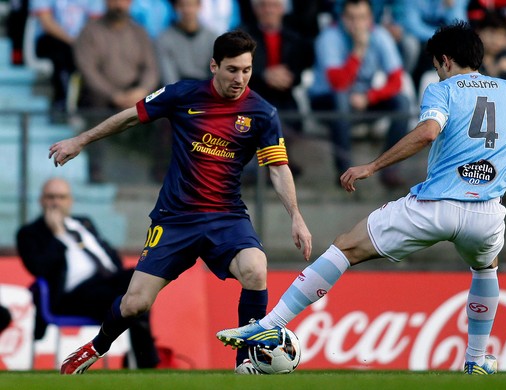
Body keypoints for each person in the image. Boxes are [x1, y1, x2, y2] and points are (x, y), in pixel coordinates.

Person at [215, 21, 506, 375]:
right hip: (487, 215)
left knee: (346, 247)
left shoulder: (443, 89)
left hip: (434, 206)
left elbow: (427, 133)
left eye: (438, 64)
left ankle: (270, 324)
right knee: (486, 266)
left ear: (444, 60)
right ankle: (476, 360)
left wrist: (371, 166)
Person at [50, 30, 312, 375]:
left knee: (256, 268)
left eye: (246, 70)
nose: (240, 79)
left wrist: (296, 215)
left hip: (226, 217)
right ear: (214, 65)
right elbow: (131, 116)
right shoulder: (183, 94)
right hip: (174, 219)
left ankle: (245, 363)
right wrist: (81, 139)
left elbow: (278, 168)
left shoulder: (261, 113)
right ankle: (95, 348)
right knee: (134, 304)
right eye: (232, 70)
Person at [16, 177, 160, 369]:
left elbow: (111, 257)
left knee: (136, 281)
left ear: (70, 201)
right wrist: (58, 234)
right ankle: (146, 362)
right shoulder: (30, 233)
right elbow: (38, 268)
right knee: (130, 295)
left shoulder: (84, 223)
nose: (56, 202)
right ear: (41, 200)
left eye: (61, 197)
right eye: (51, 197)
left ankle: (142, 360)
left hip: (108, 283)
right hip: (73, 296)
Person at [308, 0, 411, 188]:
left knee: (402, 102)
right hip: (326, 101)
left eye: (362, 17)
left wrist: (370, 97)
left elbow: (396, 80)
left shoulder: (379, 35)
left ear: (370, 18)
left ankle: (389, 170)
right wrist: (358, 51)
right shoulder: (329, 37)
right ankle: (345, 173)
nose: (357, 24)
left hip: (361, 99)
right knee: (340, 99)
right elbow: (338, 83)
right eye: (351, 18)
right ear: (342, 18)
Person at [73, 0, 160, 182]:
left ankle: (159, 172)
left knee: (165, 106)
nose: (119, 5)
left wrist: (142, 90)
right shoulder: (89, 32)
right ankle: (96, 170)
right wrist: (114, 95)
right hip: (102, 96)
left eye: (124, 1)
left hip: (136, 93)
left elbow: (151, 68)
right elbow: (88, 70)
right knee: (93, 104)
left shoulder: (140, 33)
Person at [242, 0, 315, 176]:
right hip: (252, 97)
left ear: (282, 9)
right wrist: (263, 75)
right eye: (264, 5)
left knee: (287, 121)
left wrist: (288, 77)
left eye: (273, 5)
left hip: (284, 97)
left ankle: (277, 166)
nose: (269, 10)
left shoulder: (295, 38)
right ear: (256, 9)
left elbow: (299, 70)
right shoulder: (243, 36)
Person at [29, 0, 104, 113]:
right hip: (51, 41)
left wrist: (80, 42)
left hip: (81, 43)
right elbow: (46, 23)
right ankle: (61, 105)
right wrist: (73, 42)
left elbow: (95, 22)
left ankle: (81, 107)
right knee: (62, 54)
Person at [156, 0, 218, 86]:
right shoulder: (164, 38)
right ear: (175, 7)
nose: (187, 10)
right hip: (177, 92)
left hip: (207, 91)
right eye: (182, 5)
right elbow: (169, 78)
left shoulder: (213, 38)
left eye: (191, 5)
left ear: (199, 6)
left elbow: (217, 75)